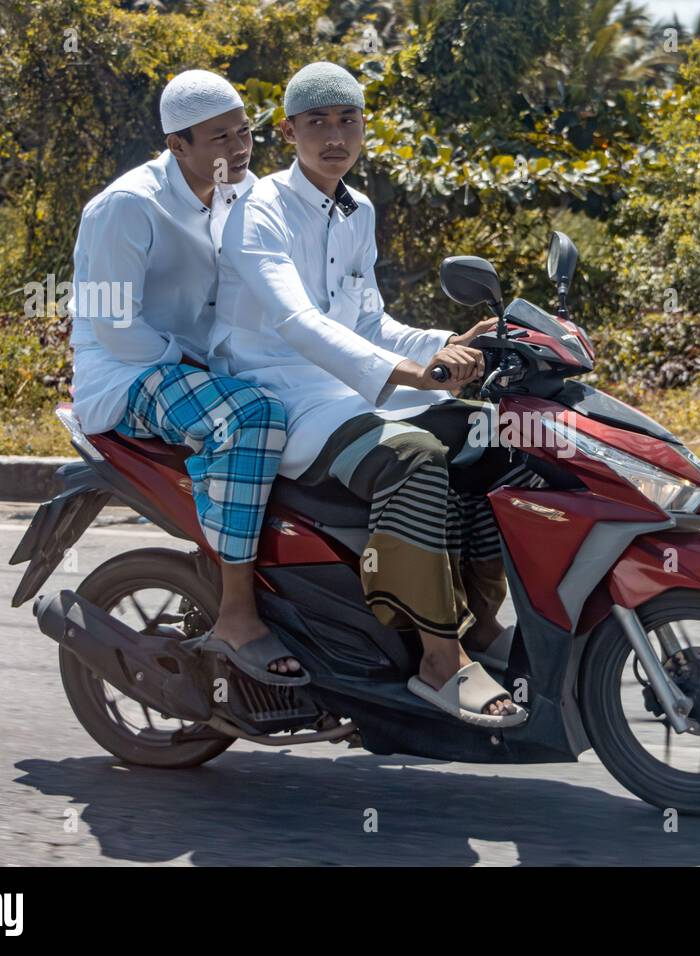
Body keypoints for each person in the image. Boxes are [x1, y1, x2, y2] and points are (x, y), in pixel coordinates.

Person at [211, 62, 540, 727]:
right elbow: (297, 322)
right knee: (414, 455)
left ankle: (479, 625)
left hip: (349, 387)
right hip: (284, 391)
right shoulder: (259, 210)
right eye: (317, 123)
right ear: (288, 131)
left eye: (348, 120)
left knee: (490, 436)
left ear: (364, 124)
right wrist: (407, 374)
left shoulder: (355, 209)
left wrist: (451, 341)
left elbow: (367, 322)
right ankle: (437, 663)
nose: (335, 136)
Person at [68, 69, 305, 685]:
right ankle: (236, 614)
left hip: (205, 363)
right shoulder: (127, 207)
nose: (239, 148)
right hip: (127, 373)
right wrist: (198, 360)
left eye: (245, 133)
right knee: (255, 416)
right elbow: (118, 329)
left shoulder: (244, 193)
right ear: (178, 145)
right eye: (220, 137)